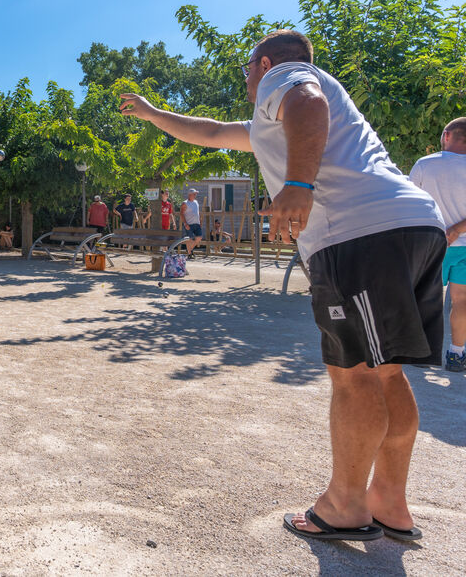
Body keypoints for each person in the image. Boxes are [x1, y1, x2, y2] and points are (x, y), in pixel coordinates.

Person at [120, 29, 444, 544]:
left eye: (248, 70)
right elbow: (208, 131)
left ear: (264, 62)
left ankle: (344, 506)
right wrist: (154, 112)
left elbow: (304, 100)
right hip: (413, 225)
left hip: (358, 234)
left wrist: (298, 185)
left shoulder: (286, 77)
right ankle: (391, 504)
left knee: (354, 374)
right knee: (386, 373)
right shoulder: (278, 122)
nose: (249, 80)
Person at [410, 117, 466, 372]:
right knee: (462, 301)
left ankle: (421, 353)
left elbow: (409, 203)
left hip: (430, 244)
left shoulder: (425, 164)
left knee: (424, 299)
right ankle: (457, 354)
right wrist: (456, 229)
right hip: (464, 246)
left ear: (446, 135)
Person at [180, 188, 203, 257]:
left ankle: (189, 250)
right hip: (189, 224)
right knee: (189, 239)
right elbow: (181, 214)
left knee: (199, 237)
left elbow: (197, 213)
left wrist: (200, 221)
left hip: (197, 223)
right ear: (190, 195)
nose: (195, 195)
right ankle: (190, 253)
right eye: (194, 194)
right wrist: (185, 223)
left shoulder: (196, 202)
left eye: (196, 194)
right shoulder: (185, 203)